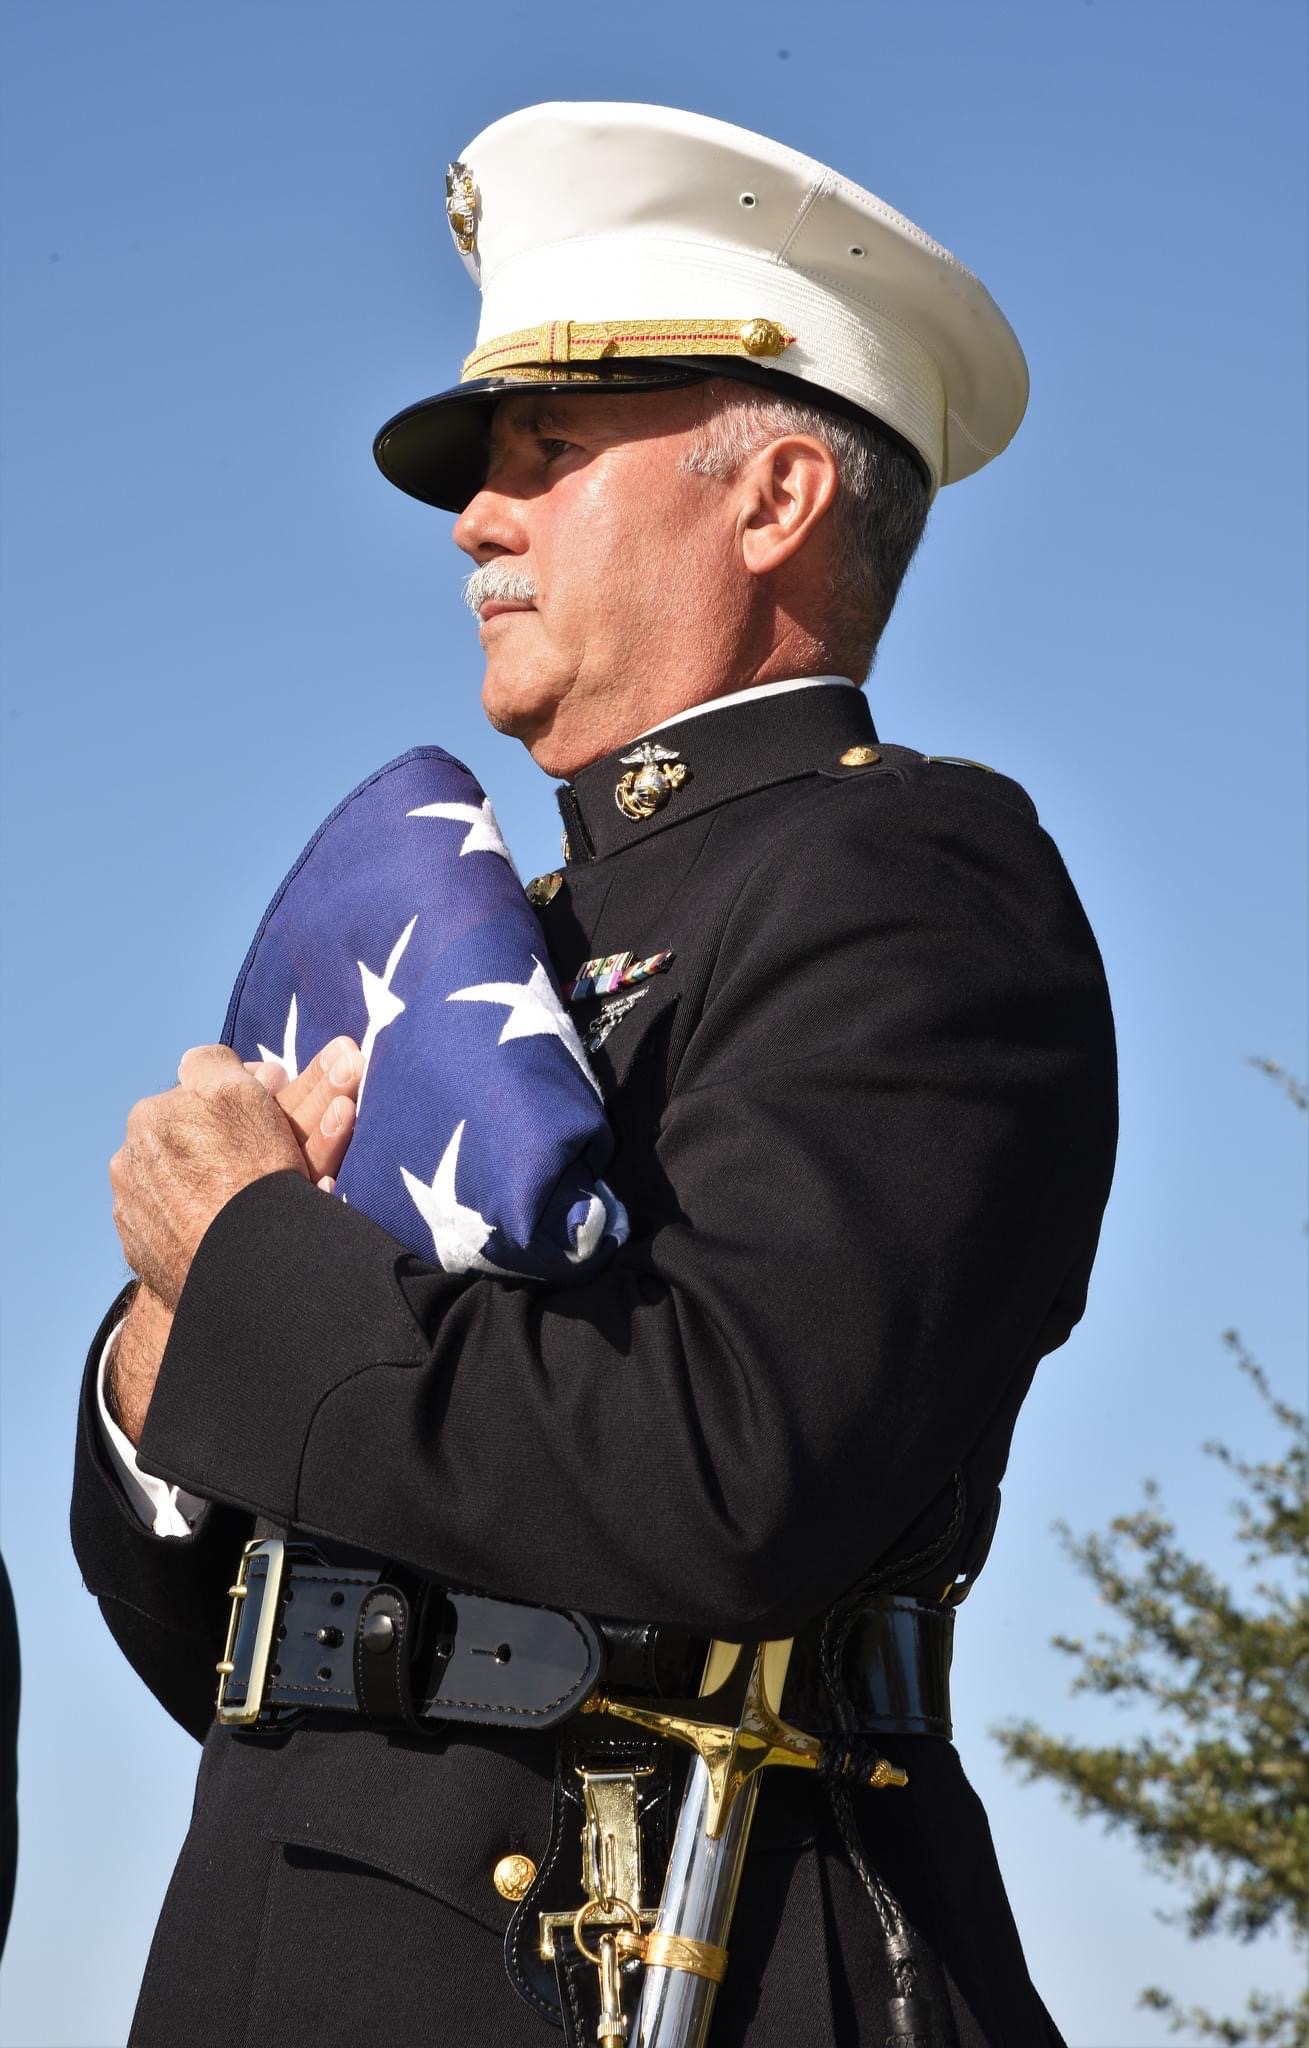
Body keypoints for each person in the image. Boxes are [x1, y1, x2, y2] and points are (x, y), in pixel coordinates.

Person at [72, 103, 1117, 2048]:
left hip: (665, 1962)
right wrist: (155, 1361)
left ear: (777, 492)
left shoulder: (909, 885)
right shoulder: (492, 940)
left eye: (547, 456)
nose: (477, 517)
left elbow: (732, 1470)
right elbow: (248, 1645)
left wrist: (253, 1271)